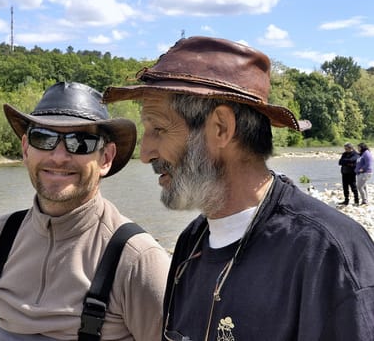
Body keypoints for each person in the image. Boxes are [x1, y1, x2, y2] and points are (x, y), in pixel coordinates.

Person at [103, 36, 374, 340]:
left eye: (160, 129)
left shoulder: (327, 254)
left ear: (220, 128)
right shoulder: (191, 243)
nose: (146, 154)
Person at [0, 82, 170, 341]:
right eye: (43, 138)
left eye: (80, 142)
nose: (58, 156)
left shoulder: (138, 260)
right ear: (25, 149)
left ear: (106, 158)